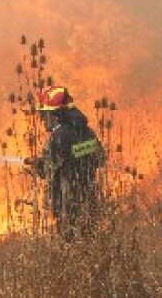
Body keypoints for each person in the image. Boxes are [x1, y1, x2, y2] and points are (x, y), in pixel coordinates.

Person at [29, 86, 105, 239]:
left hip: (67, 204)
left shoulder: (59, 136)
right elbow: (100, 158)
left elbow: (48, 169)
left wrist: (37, 165)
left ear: (55, 114)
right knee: (89, 240)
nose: (42, 120)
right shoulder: (87, 132)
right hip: (89, 201)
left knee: (70, 241)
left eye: (44, 114)